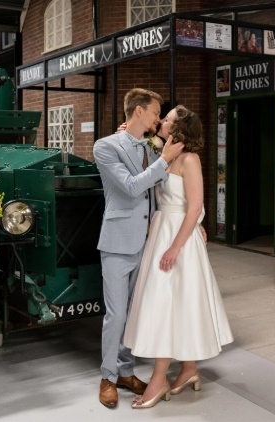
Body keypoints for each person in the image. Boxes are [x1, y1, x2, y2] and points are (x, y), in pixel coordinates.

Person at [123, 105, 234, 409]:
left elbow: (195, 206)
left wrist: (176, 246)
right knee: (174, 303)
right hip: (162, 229)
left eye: (167, 119)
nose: (161, 121)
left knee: (166, 303)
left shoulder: (190, 159)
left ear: (178, 128)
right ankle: (188, 369)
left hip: (177, 238)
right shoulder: (165, 155)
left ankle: (158, 381)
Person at [92, 88, 185, 409]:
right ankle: (107, 377)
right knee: (116, 314)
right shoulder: (105, 146)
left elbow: (161, 189)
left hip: (147, 242)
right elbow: (132, 187)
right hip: (117, 242)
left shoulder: (149, 146)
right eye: (156, 112)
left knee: (132, 313)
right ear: (139, 112)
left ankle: (126, 372)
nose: (159, 118)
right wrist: (164, 160)